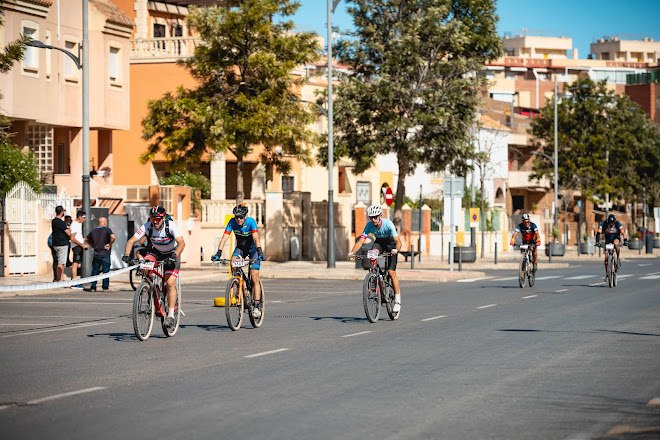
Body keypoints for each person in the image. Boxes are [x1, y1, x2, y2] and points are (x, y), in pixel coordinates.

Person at [123, 206, 185, 329]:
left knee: (170, 283)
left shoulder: (171, 226)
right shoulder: (147, 226)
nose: (155, 221)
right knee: (145, 265)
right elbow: (131, 241)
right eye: (153, 219)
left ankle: (170, 315)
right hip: (156, 253)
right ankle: (150, 285)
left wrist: (175, 255)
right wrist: (126, 255)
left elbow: (182, 243)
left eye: (158, 219)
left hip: (172, 254)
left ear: (163, 218)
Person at [211, 204, 265, 318]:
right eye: (237, 217)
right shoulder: (232, 222)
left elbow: (256, 238)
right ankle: (238, 287)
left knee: (254, 276)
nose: (238, 219)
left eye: (241, 217)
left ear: (245, 216)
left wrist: (260, 252)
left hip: (253, 250)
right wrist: (218, 253)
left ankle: (256, 306)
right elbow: (224, 238)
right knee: (233, 262)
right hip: (241, 249)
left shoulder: (251, 222)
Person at [348, 204, 403, 313]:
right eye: (371, 218)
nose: (373, 220)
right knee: (372, 254)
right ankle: (374, 277)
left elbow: (398, 241)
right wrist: (352, 252)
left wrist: (396, 250)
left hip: (391, 244)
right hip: (379, 243)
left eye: (375, 217)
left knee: (391, 272)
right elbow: (360, 241)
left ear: (380, 216)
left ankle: (397, 300)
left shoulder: (388, 224)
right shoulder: (369, 226)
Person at [84, 217, 116, 292]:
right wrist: (109, 244)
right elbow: (113, 237)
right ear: (104, 222)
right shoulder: (107, 229)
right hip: (105, 253)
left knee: (95, 271)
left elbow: (86, 239)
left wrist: (92, 245)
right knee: (106, 271)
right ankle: (105, 287)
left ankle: (93, 287)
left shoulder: (93, 231)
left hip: (96, 253)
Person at [69, 210, 89, 289]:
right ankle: (74, 283)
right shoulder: (74, 224)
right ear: (79, 217)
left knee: (77, 263)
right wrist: (82, 244)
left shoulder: (79, 224)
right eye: (84, 217)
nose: (85, 219)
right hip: (77, 247)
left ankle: (73, 281)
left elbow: (77, 236)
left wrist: (83, 240)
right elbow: (72, 238)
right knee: (75, 263)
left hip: (79, 246)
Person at [50, 206, 71, 282]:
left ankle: (59, 278)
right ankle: (60, 279)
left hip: (55, 244)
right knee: (61, 263)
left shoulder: (53, 221)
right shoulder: (61, 223)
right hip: (62, 244)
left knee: (58, 261)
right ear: (62, 212)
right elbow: (68, 233)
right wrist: (69, 228)